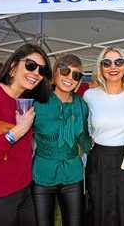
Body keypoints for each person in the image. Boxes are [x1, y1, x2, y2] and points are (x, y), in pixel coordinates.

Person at [0, 43, 52, 226]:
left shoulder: (25, 103)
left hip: (22, 191)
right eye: (30, 65)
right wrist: (16, 132)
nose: (36, 73)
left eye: (41, 70)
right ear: (12, 66)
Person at [32, 54, 91, 226]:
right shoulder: (38, 103)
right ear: (55, 72)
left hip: (73, 175)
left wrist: (93, 144)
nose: (69, 78)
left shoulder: (82, 106)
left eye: (76, 75)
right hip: (43, 174)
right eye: (65, 71)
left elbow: (84, 138)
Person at [83, 46, 124, 226]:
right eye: (106, 63)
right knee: (98, 210)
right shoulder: (89, 95)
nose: (112, 67)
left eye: (118, 62)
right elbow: (84, 126)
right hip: (98, 160)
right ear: (100, 68)